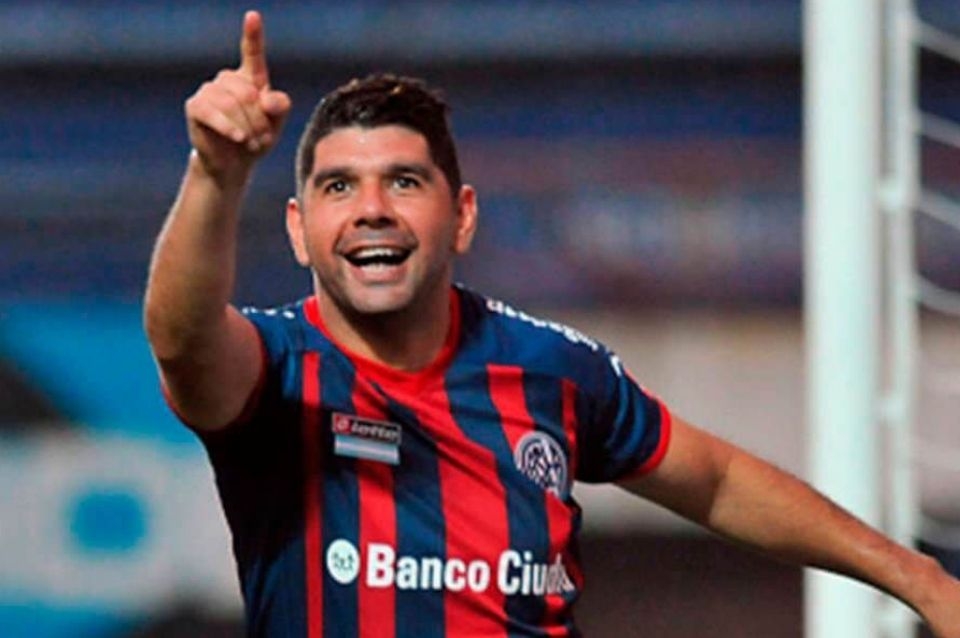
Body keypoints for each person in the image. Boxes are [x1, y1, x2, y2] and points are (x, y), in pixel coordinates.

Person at [143, 10, 960, 638]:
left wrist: (917, 578)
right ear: (297, 230)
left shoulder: (552, 367)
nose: (372, 210)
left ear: (462, 216)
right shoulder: (277, 370)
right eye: (338, 188)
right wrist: (216, 174)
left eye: (404, 182)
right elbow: (181, 339)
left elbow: (714, 481)